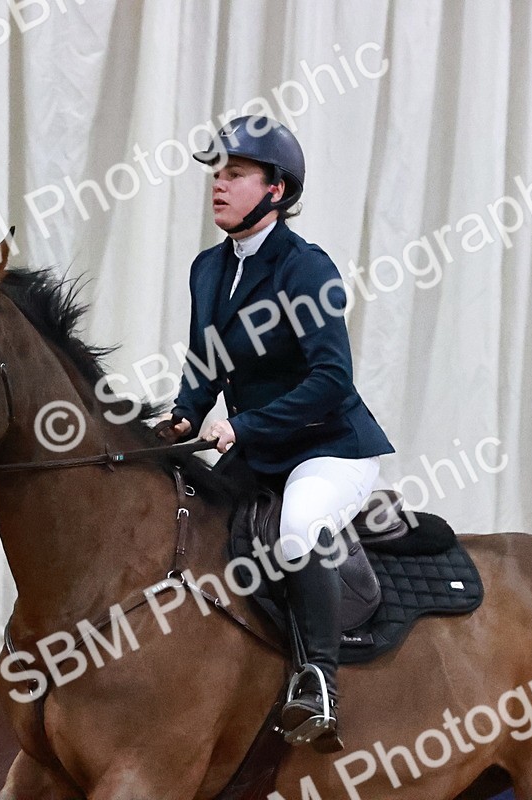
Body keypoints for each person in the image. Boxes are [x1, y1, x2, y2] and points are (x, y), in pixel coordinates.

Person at [157, 116, 395, 753]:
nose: (218, 184)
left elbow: (331, 381)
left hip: (330, 449)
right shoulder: (208, 269)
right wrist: (183, 416)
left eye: (235, 174)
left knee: (297, 529)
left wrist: (243, 425)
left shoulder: (306, 269)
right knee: (190, 518)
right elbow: (205, 365)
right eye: (217, 173)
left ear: (277, 190)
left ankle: (319, 683)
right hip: (258, 449)